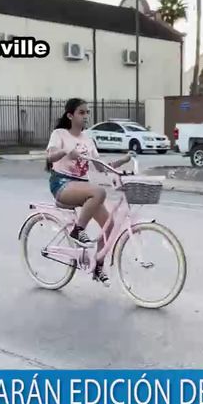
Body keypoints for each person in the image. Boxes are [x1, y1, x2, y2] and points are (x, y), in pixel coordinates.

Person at [46, 98, 131, 286]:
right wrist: (66, 152)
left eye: (87, 113)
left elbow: (100, 167)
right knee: (99, 192)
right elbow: (50, 156)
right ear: (70, 115)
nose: (85, 116)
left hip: (82, 187)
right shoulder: (59, 134)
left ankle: (97, 266)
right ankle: (78, 230)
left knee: (109, 227)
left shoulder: (88, 139)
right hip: (62, 184)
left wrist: (123, 161)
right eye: (81, 112)